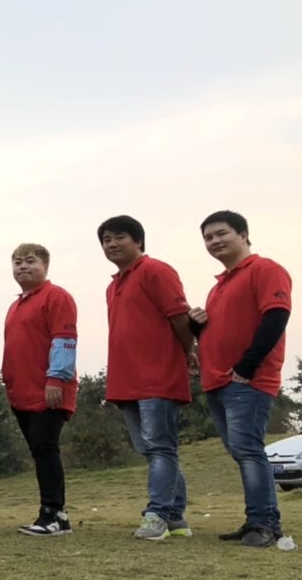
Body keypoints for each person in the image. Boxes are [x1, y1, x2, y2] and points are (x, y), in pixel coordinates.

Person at [190, 210, 293, 550]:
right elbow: (225, 330)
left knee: (248, 450)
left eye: (222, 233)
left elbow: (276, 317)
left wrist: (247, 366)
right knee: (241, 451)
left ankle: (264, 524)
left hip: (247, 381)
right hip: (217, 381)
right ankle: (258, 520)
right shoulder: (219, 286)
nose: (214, 241)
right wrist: (197, 328)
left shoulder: (265, 269)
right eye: (208, 237)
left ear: (244, 234)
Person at [99, 216, 196, 542]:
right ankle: (176, 517)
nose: (112, 244)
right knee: (150, 449)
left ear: (138, 240)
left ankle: (157, 515)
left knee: (160, 447)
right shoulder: (113, 286)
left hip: (158, 376)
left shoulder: (157, 271)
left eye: (119, 237)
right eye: (106, 240)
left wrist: (188, 352)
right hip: (126, 380)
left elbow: (180, 318)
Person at [2, 243, 78, 537]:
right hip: (21, 391)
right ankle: (53, 514)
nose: (23, 267)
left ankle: (54, 514)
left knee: (46, 449)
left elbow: (64, 338)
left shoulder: (56, 296)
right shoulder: (16, 306)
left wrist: (56, 378)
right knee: (38, 451)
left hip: (48, 390)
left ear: (45, 266)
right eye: (17, 262)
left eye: (30, 261)